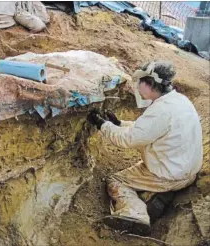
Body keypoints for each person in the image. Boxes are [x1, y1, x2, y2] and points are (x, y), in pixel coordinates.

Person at [87, 61, 203, 235]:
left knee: (116, 180)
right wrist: (118, 123)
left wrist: (102, 125)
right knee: (146, 170)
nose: (138, 86)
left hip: (169, 175)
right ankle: (158, 195)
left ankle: (135, 213)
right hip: (187, 171)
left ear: (149, 84)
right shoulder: (179, 101)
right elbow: (150, 130)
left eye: (140, 82)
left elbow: (127, 140)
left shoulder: (161, 111)